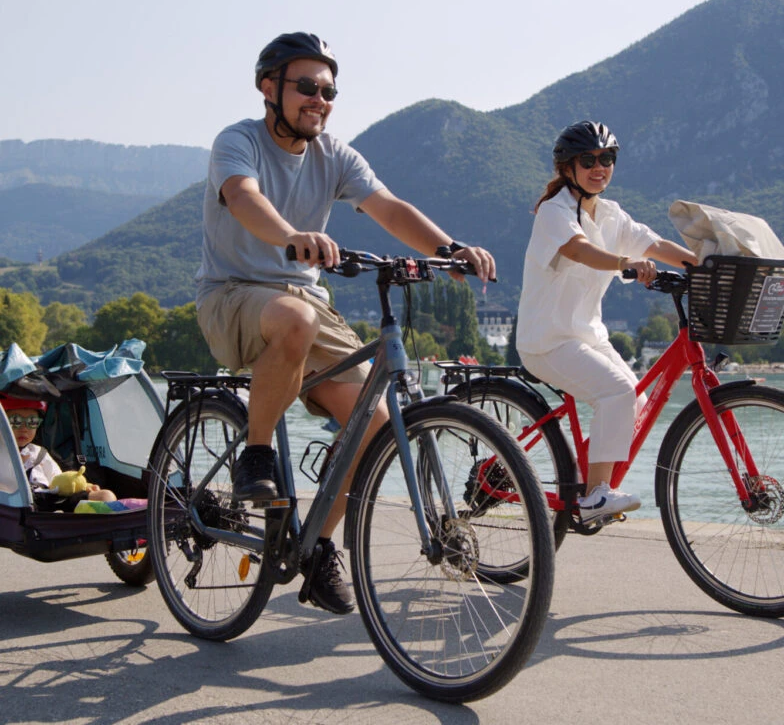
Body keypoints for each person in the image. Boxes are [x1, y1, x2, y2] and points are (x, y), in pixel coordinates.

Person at [195, 32, 495, 614]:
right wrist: (290, 237)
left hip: (304, 303)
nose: (320, 99)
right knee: (296, 318)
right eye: (306, 86)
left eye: (329, 90)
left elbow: (389, 208)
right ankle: (256, 454)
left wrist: (451, 247)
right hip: (232, 294)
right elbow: (243, 196)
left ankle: (317, 546)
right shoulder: (239, 141)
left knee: (376, 424)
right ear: (269, 88)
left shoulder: (335, 153)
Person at [515, 121, 697, 524]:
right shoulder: (554, 211)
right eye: (589, 160)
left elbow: (657, 246)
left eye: (607, 159)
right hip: (547, 340)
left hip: (587, 336)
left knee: (635, 400)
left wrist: (708, 267)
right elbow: (579, 249)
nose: (600, 167)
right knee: (616, 392)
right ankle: (596, 494)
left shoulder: (612, 214)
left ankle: (582, 478)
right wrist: (623, 264)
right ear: (567, 167)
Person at [1, 394, 117, 502]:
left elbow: (58, 481)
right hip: (15, 509)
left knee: (106, 496)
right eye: (15, 421)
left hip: (49, 502)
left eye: (32, 421)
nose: (24, 428)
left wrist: (84, 486)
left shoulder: (39, 454)